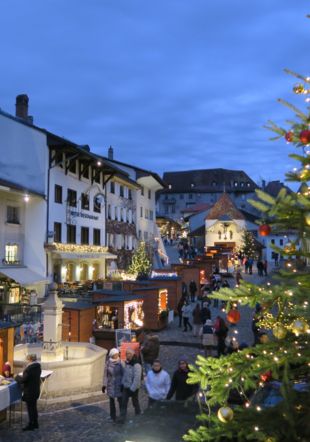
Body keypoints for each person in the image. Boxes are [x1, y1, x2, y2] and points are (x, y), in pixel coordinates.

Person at [15, 354, 41, 431]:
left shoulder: (29, 369)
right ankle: (36, 423)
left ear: (30, 360)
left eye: (27, 359)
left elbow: (23, 380)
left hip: (29, 392)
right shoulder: (38, 367)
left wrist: (16, 377)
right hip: (36, 390)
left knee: (30, 408)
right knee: (34, 407)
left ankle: (31, 424)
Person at [118, 348, 142, 423]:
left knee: (135, 403)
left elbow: (137, 378)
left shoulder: (136, 364)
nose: (126, 355)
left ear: (132, 354)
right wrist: (122, 384)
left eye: (128, 353)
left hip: (133, 388)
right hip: (126, 387)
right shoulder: (127, 363)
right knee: (123, 403)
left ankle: (138, 417)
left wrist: (132, 389)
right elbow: (125, 375)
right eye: (126, 353)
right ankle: (122, 418)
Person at [102, 348, 124, 422]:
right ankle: (113, 416)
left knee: (120, 401)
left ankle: (122, 416)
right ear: (112, 355)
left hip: (119, 384)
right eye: (115, 354)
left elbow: (124, 374)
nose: (116, 355)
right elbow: (105, 375)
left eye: (117, 354)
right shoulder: (108, 363)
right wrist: (104, 385)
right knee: (111, 402)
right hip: (111, 384)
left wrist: (123, 384)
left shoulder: (121, 362)